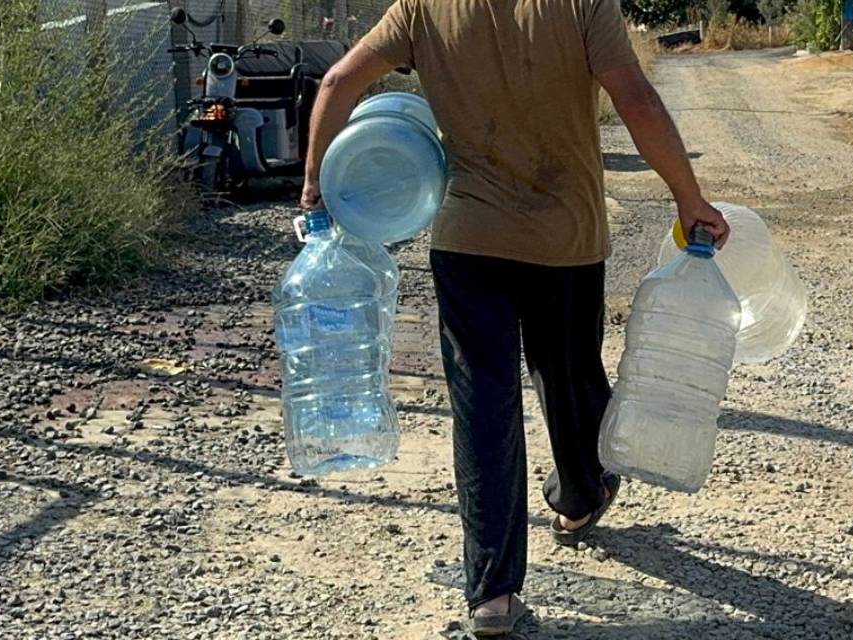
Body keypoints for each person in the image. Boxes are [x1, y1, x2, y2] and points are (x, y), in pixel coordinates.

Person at [299, 0, 729, 634]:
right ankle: (580, 497)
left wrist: (315, 184)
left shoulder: (421, 8)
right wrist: (688, 197)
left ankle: (492, 595)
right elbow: (635, 98)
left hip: (468, 240)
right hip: (567, 237)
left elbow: (338, 81)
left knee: (483, 408)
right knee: (569, 371)